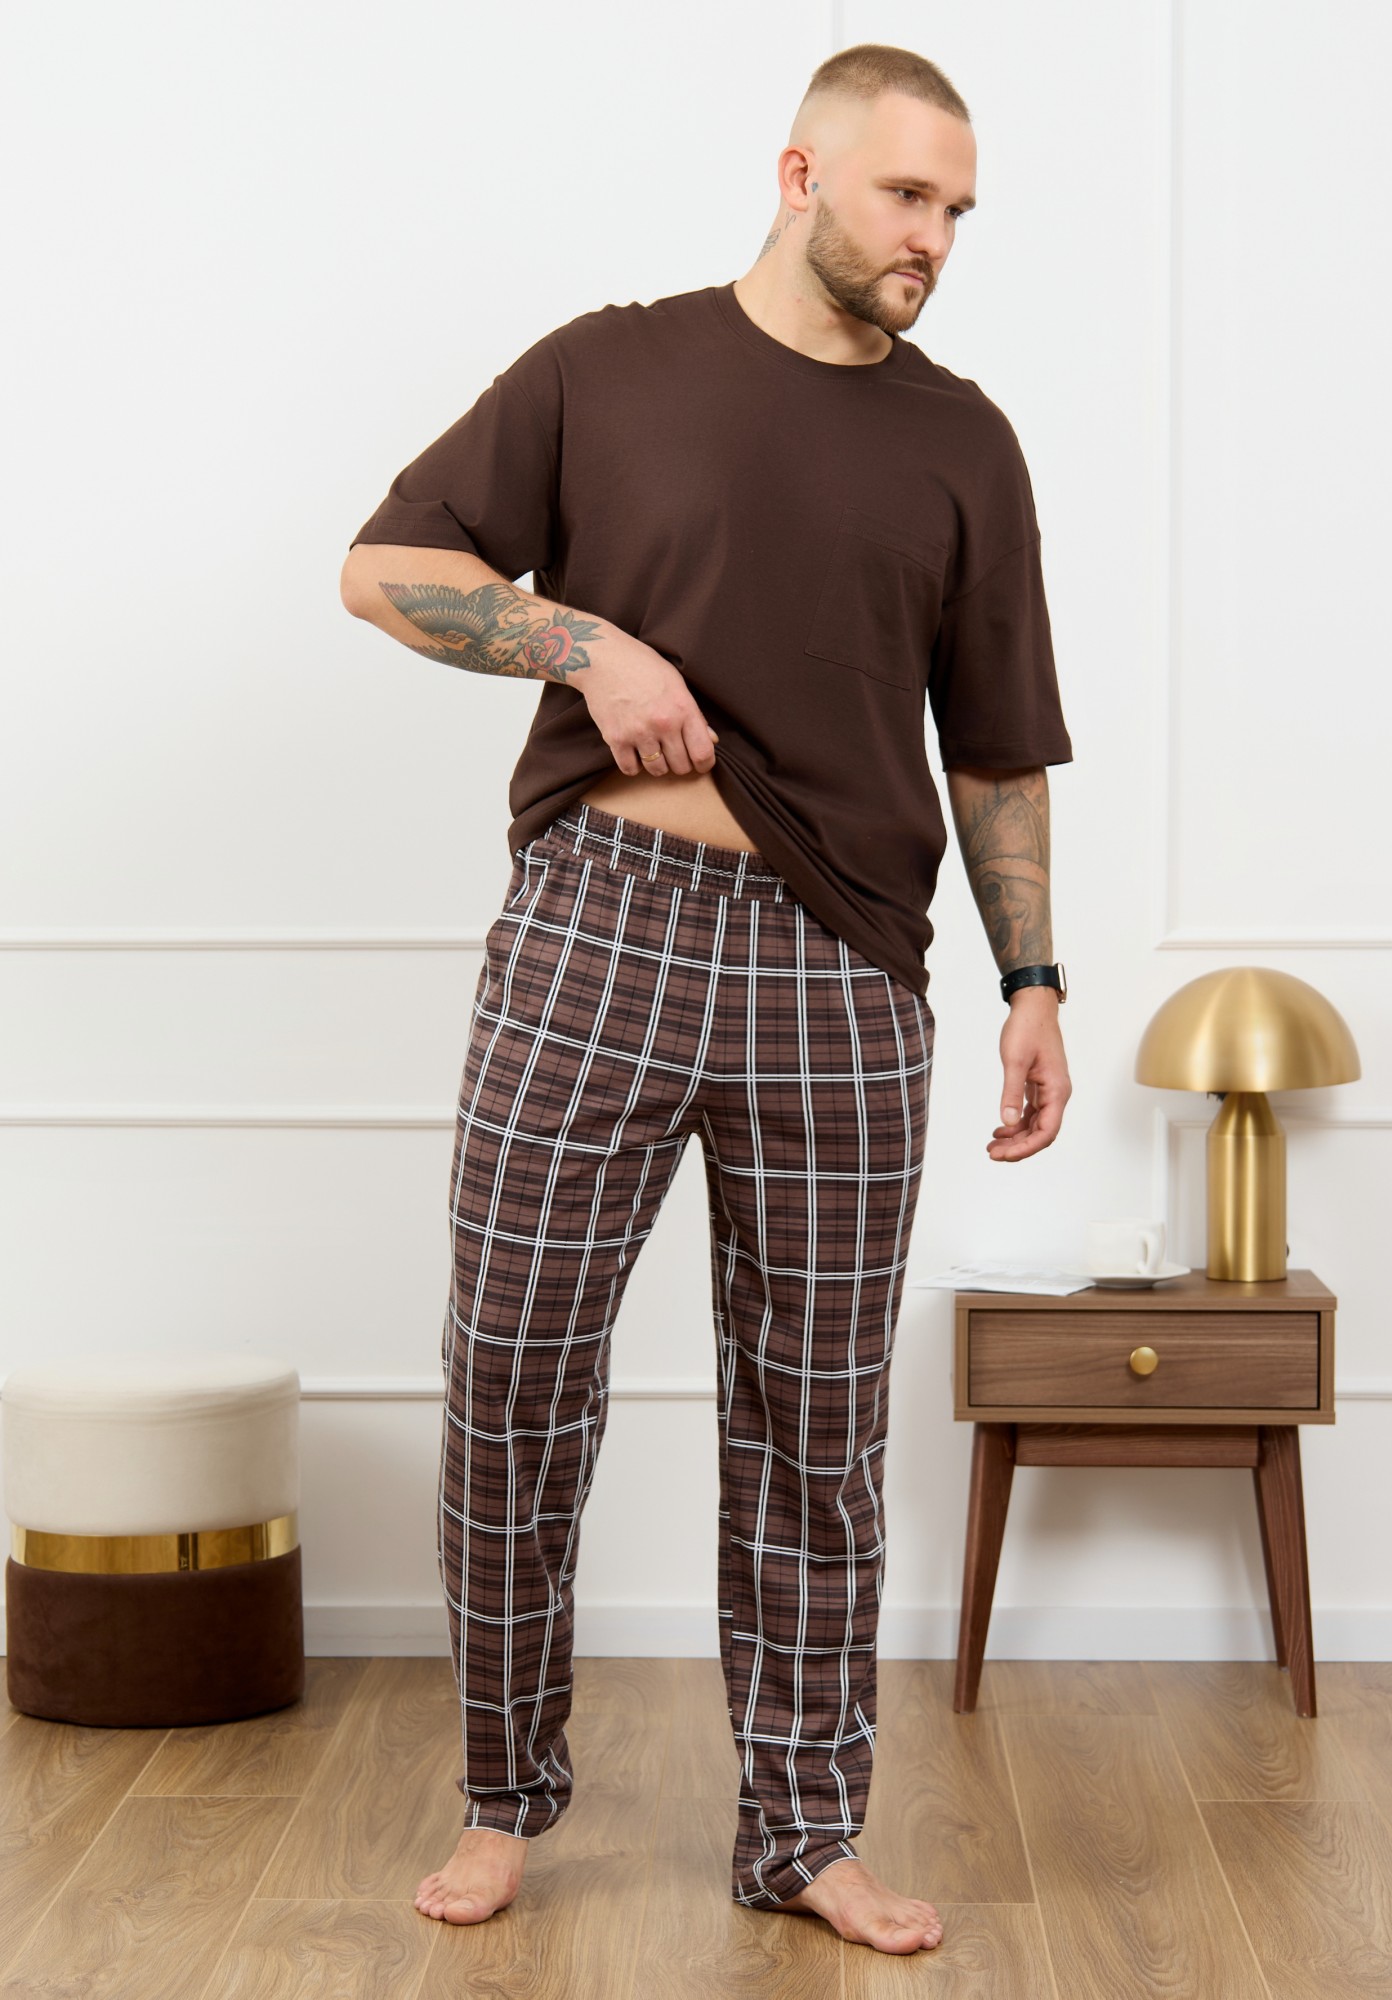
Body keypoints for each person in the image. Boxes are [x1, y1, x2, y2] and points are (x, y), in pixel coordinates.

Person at [340, 41, 1073, 1959]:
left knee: (818, 1422)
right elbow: (385, 566)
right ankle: (503, 1797)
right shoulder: (609, 368)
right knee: (514, 1373)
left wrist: (1035, 980)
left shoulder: (967, 442)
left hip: (844, 969)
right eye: (907, 196)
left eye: (958, 212)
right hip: (596, 926)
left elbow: (997, 746)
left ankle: (804, 1831)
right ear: (801, 173)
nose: (935, 239)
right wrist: (583, 640)